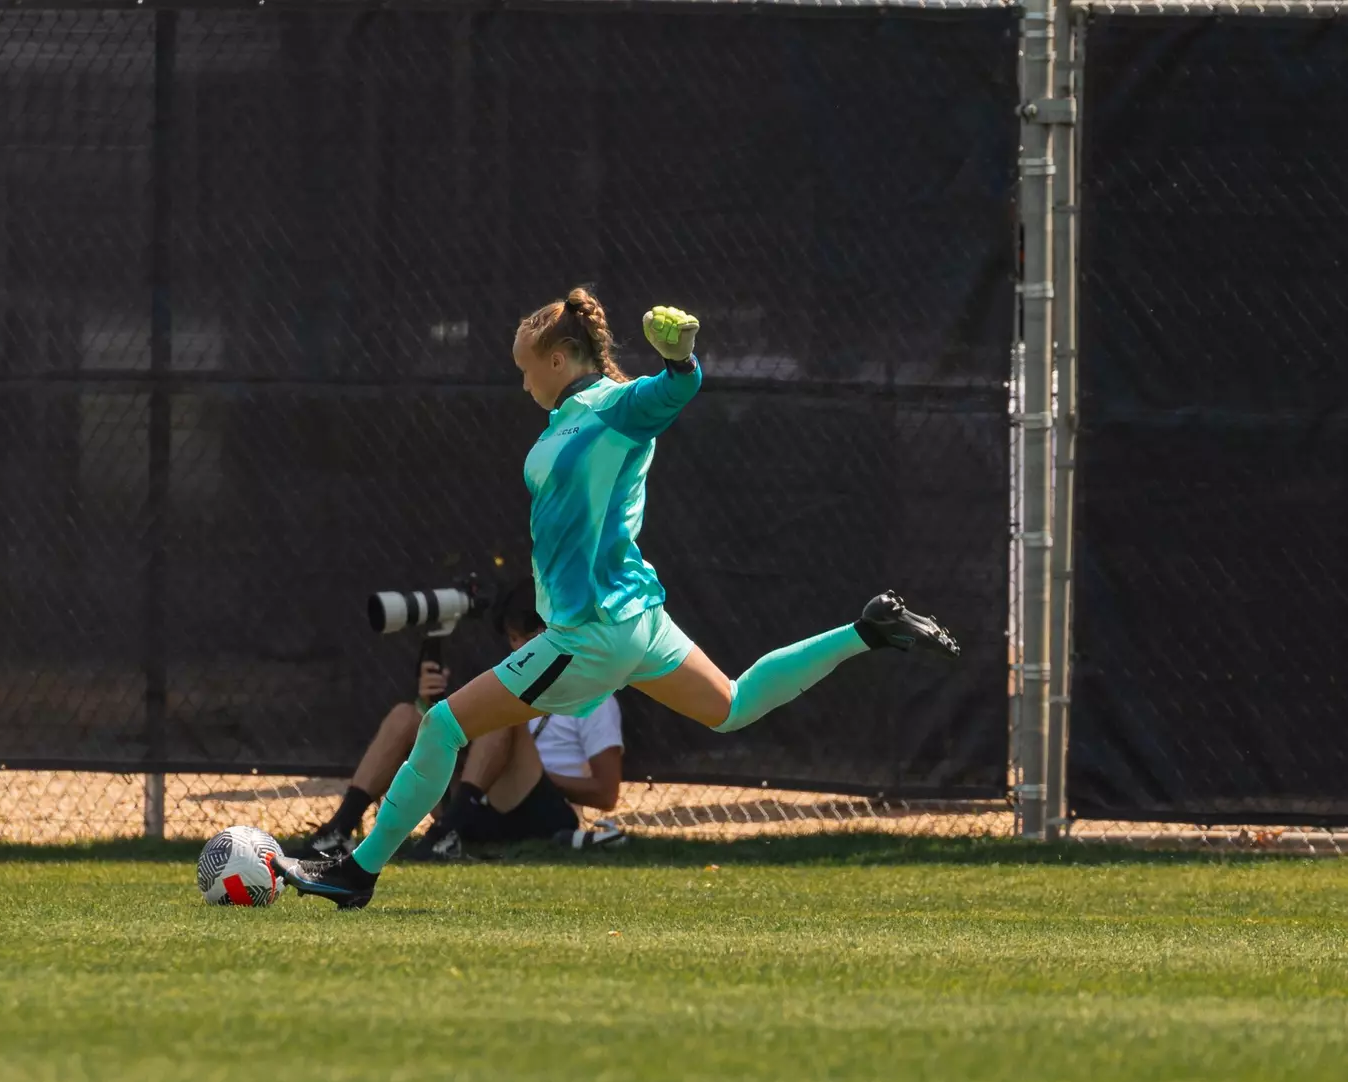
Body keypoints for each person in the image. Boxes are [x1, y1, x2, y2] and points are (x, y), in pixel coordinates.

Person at [278, 290, 960, 908]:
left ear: (560, 356)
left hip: (591, 632)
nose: (521, 381)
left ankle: (357, 871)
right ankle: (869, 631)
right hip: (637, 620)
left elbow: (668, 394)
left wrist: (681, 360)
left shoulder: (609, 406)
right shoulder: (572, 418)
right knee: (732, 706)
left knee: (443, 726)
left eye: (525, 367)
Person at [297, 579, 625, 861]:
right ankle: (339, 830)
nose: (517, 648)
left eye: (524, 638)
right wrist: (429, 708)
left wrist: (525, 767)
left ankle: (447, 833)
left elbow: (606, 794)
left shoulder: (594, 699)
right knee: (407, 716)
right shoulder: (505, 680)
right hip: (472, 804)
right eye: (511, 639)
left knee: (503, 718)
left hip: (538, 809)